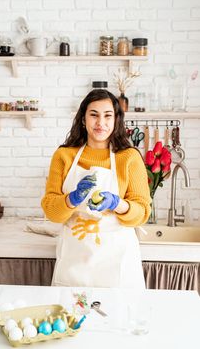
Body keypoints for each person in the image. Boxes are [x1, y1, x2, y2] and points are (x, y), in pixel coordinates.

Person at [41, 89, 151, 288]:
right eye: (94, 115)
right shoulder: (64, 155)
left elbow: (142, 212)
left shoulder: (129, 158)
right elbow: (51, 211)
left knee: (120, 318)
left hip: (118, 263)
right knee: (71, 316)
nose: (101, 122)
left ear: (116, 120)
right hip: (75, 263)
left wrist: (118, 204)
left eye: (107, 115)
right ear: (83, 119)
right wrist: (71, 199)